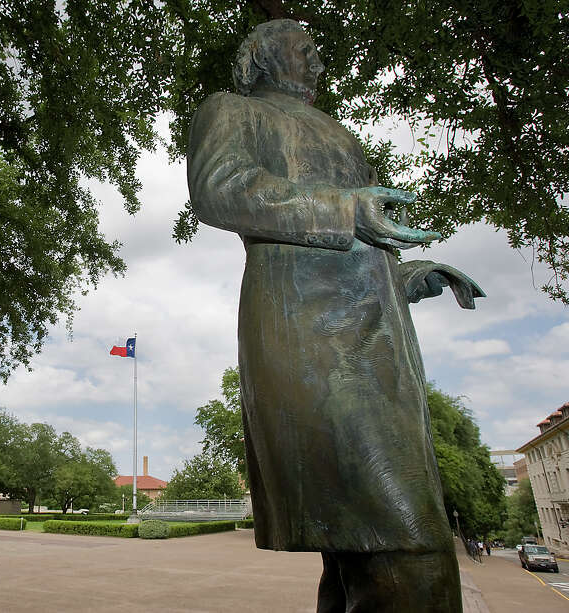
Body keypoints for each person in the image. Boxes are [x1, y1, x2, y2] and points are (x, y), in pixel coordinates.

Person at [187, 18, 483, 613]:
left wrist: (404, 275)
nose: (320, 65)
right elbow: (220, 190)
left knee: (358, 543)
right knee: (408, 540)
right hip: (309, 335)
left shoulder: (338, 133)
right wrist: (349, 209)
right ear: (265, 58)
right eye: (307, 51)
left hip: (379, 337)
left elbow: (361, 238)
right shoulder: (232, 110)